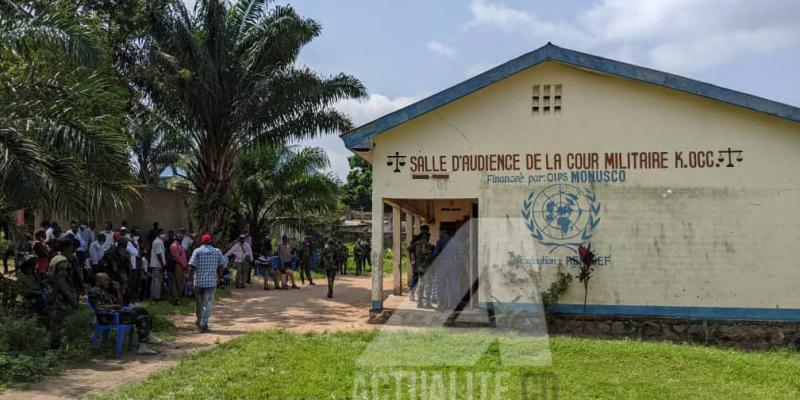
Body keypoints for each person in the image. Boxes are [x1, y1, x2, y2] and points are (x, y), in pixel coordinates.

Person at [88, 272, 161, 355]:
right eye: (105, 280)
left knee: (142, 310)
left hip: (115, 315)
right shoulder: (94, 291)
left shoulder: (105, 291)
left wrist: (117, 289)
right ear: (98, 281)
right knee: (142, 317)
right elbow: (98, 307)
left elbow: (120, 303)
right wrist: (114, 306)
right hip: (108, 317)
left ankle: (147, 336)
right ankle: (143, 345)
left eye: (108, 280)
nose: (108, 282)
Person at [44, 237, 81, 349]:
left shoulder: (55, 257)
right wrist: (71, 298)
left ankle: (58, 348)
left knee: (57, 323)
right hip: (59, 297)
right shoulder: (63, 261)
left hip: (54, 294)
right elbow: (61, 282)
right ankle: (55, 349)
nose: (73, 249)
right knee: (58, 323)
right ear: (67, 247)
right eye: (71, 246)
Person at [188, 234, 227, 332]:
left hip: (198, 282)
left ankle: (200, 322)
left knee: (199, 304)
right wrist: (219, 276)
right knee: (207, 304)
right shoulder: (217, 252)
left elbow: (192, 267)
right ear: (211, 241)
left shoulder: (197, 251)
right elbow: (222, 265)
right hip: (211, 282)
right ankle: (203, 324)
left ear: (202, 241)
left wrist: (190, 280)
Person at [411, 225, 434, 309]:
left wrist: (413, 260)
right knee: (427, 285)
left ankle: (419, 303)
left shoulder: (416, 243)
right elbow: (430, 256)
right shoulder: (427, 245)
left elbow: (409, 249)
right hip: (427, 267)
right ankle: (426, 303)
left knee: (421, 284)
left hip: (419, 267)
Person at [170, 230, 188, 304]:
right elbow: (177, 257)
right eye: (180, 237)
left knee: (181, 282)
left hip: (182, 266)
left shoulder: (180, 245)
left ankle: (178, 297)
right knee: (177, 282)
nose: (181, 238)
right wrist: (183, 265)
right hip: (178, 266)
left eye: (182, 237)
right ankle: (175, 298)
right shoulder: (174, 246)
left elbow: (183, 256)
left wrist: (186, 264)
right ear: (176, 238)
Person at [150, 228, 166, 300]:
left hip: (155, 264)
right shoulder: (158, 242)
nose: (163, 234)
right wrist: (162, 264)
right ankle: (157, 296)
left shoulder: (156, 241)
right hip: (157, 264)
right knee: (157, 280)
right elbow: (159, 254)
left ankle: (153, 295)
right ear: (158, 234)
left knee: (154, 280)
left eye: (163, 233)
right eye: (161, 233)